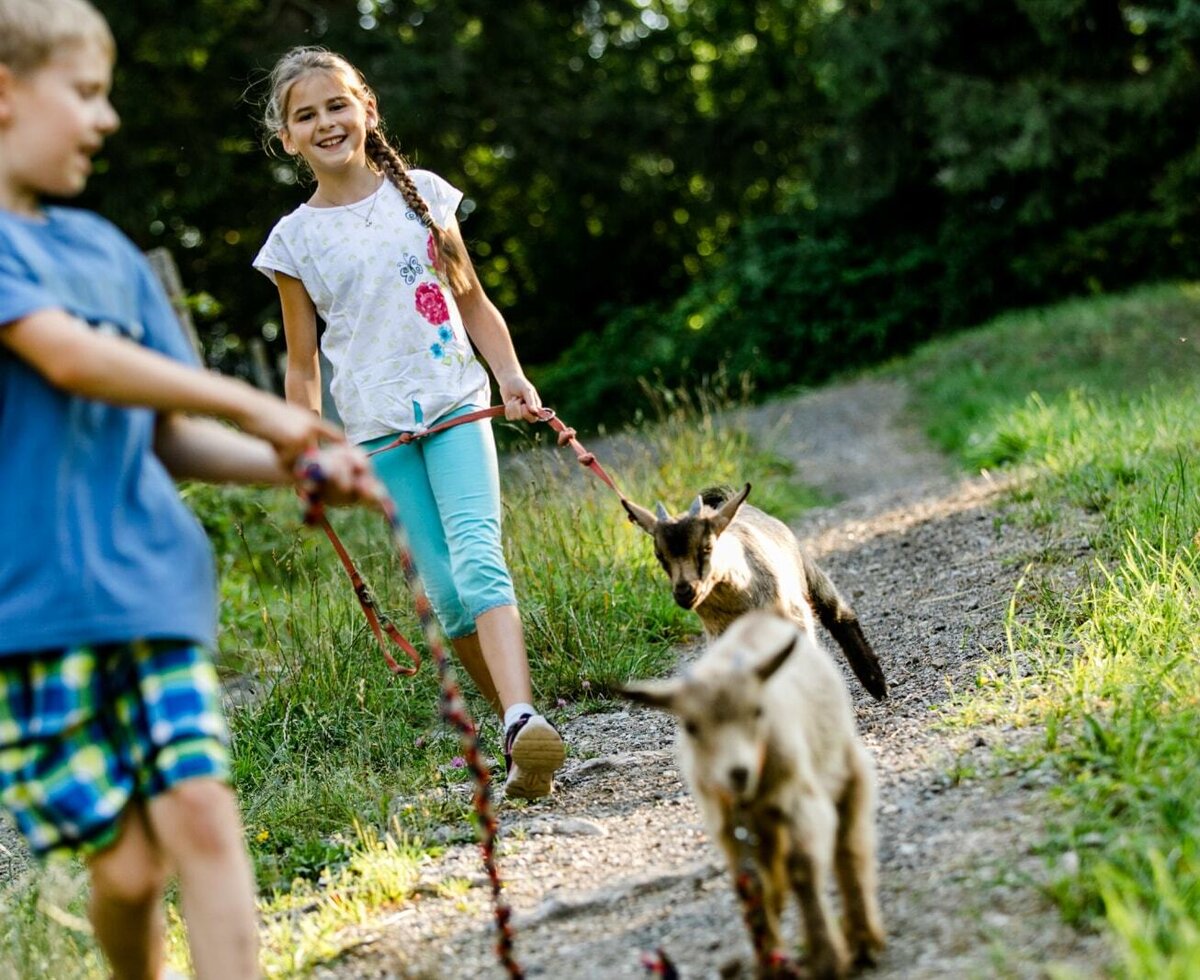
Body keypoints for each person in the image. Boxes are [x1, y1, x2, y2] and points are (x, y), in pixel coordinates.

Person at [0, 3, 381, 978]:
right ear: (7, 93)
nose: (107, 118)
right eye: (85, 93)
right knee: (127, 872)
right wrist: (262, 408)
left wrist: (297, 464)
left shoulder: (105, 253)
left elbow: (167, 431)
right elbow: (69, 357)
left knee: (204, 816)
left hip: (152, 589)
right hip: (33, 617)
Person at [253, 46, 566, 800]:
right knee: (447, 595)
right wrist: (306, 446)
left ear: (366, 108)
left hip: (455, 402)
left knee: (480, 560)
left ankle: (521, 715)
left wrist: (511, 376)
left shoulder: (422, 195)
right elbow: (303, 365)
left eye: (337, 105)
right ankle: (518, 736)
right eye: (306, 115)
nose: (326, 122)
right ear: (287, 139)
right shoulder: (293, 241)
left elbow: (472, 300)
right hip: (377, 432)